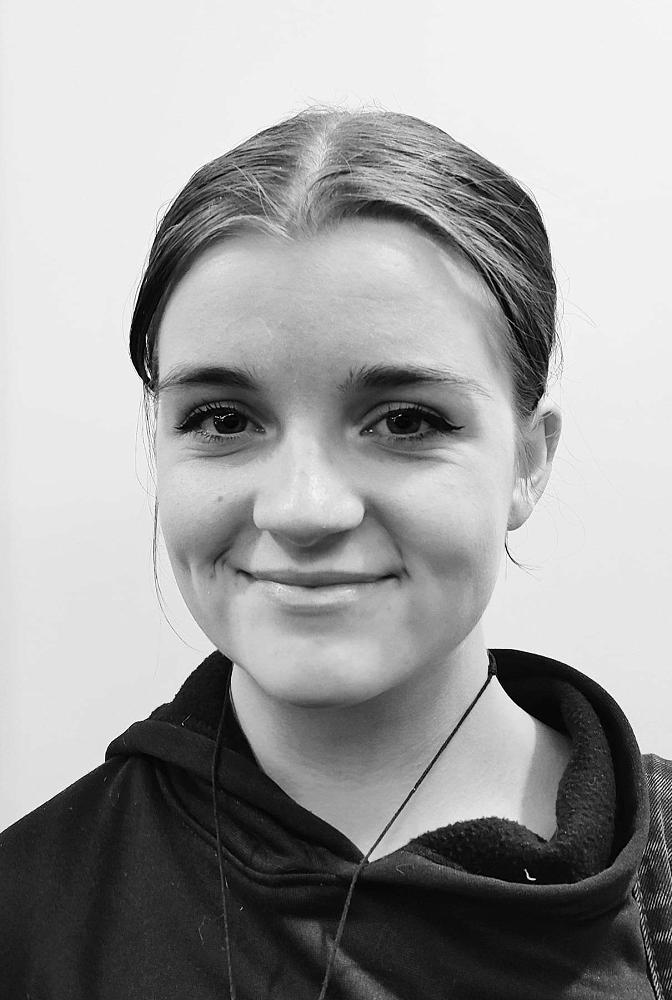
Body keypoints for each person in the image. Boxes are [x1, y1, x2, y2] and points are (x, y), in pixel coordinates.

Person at [1, 105, 671, 1000]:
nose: (304, 508)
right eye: (223, 419)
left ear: (528, 463)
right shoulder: (29, 916)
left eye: (407, 422)